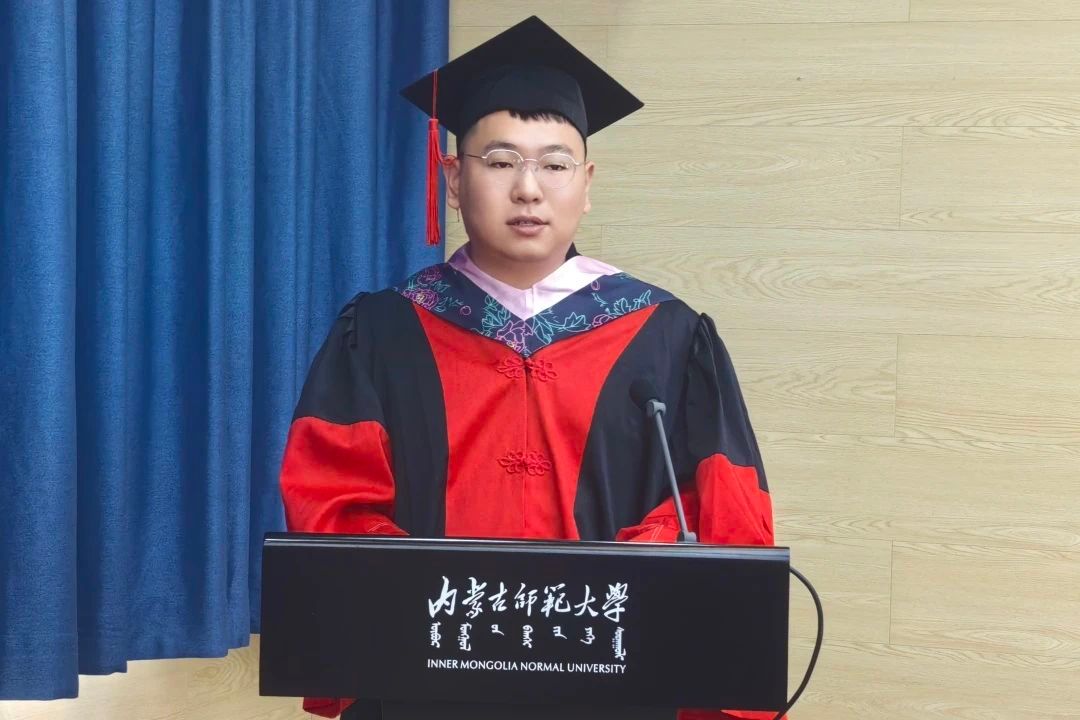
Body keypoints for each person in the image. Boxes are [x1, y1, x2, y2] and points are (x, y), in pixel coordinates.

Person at [279, 16, 779, 720]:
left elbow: (721, 511)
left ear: (587, 183)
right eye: (500, 161)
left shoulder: (667, 336)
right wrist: (423, 604)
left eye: (555, 164)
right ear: (453, 179)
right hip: (424, 683)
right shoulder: (382, 334)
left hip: (616, 688)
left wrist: (621, 586)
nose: (528, 189)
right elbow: (330, 507)